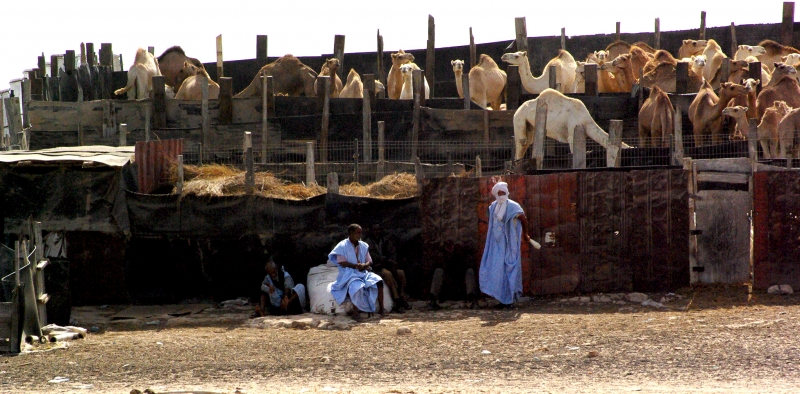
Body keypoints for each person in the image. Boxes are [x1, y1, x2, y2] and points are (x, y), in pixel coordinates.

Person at [479, 181, 531, 309]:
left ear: (506, 192)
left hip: (510, 244)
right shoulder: (493, 207)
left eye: (503, 192)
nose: (501, 195)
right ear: (496, 194)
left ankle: (510, 301)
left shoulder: (513, 206)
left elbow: (523, 219)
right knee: (498, 271)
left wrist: (526, 234)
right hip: (497, 246)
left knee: (510, 270)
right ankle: (503, 300)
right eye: (499, 193)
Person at [328, 224, 386, 319]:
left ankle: (382, 309)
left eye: (360, 233)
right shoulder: (342, 245)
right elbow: (342, 262)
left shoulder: (363, 245)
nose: (360, 235)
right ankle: (356, 312)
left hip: (363, 272)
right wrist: (356, 266)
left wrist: (364, 265)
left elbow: (369, 261)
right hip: (349, 273)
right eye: (358, 232)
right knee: (356, 287)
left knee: (379, 281)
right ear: (351, 233)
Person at [363, 224, 410, 313]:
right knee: (387, 274)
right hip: (376, 267)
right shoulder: (367, 244)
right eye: (375, 230)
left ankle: (401, 297)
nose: (377, 232)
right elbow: (373, 258)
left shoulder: (386, 241)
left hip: (387, 265)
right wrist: (386, 260)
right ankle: (396, 300)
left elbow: (392, 254)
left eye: (378, 230)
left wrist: (392, 261)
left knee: (400, 273)